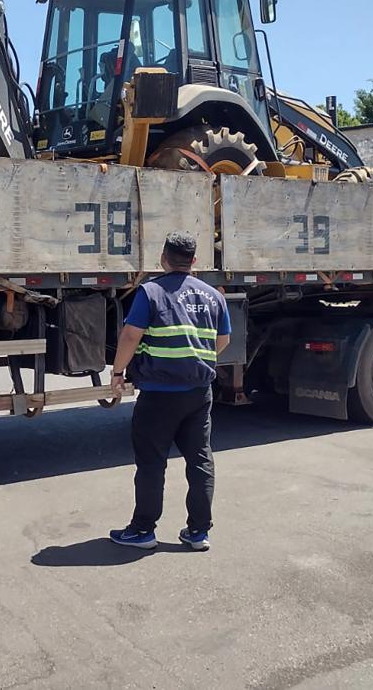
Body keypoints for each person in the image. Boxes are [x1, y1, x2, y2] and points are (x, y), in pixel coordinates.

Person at [108, 232, 230, 552]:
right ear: (194, 261)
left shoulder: (151, 292)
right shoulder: (213, 296)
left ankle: (143, 530)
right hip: (199, 393)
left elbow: (131, 335)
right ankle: (198, 532)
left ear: (163, 258)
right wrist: (196, 358)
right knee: (200, 460)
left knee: (152, 463)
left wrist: (118, 372)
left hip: (159, 394)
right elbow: (223, 340)